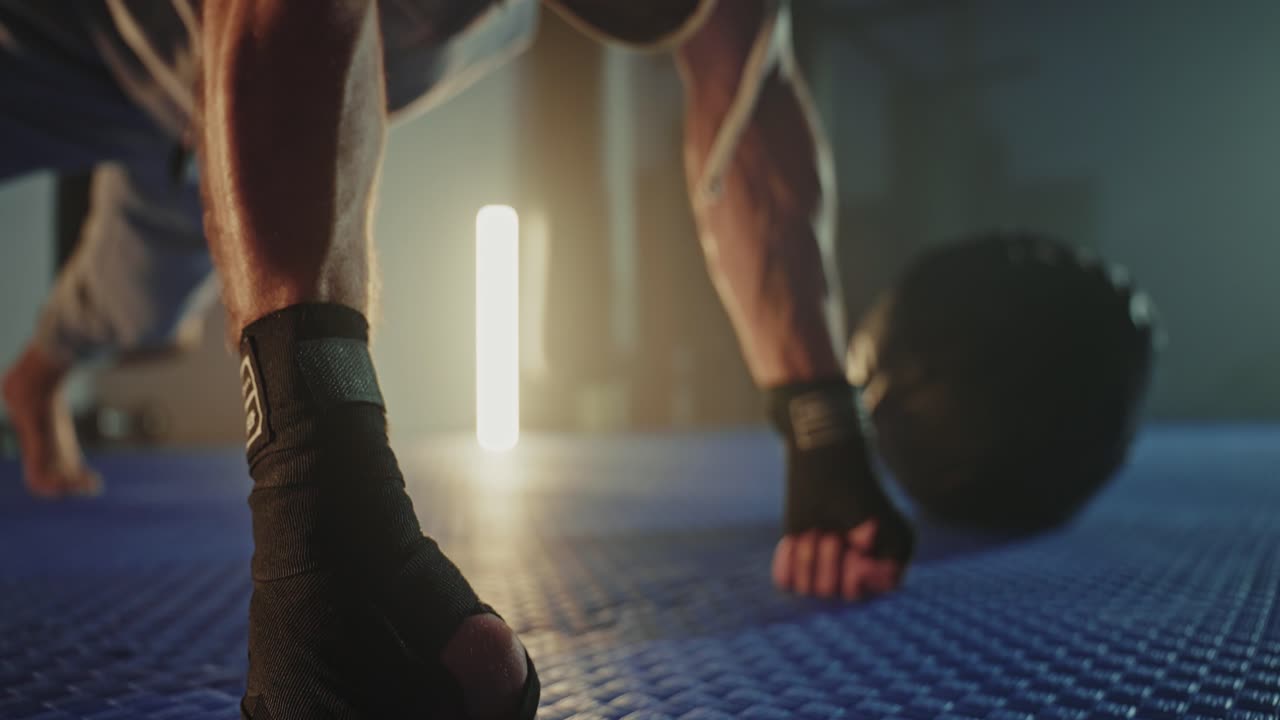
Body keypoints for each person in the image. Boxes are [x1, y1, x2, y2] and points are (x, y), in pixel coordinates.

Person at [0, 0, 913, 715]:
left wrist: (822, 418)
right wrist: (321, 510)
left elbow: (749, 97)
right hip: (59, 47)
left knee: (126, 305)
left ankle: (35, 379)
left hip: (197, 116)